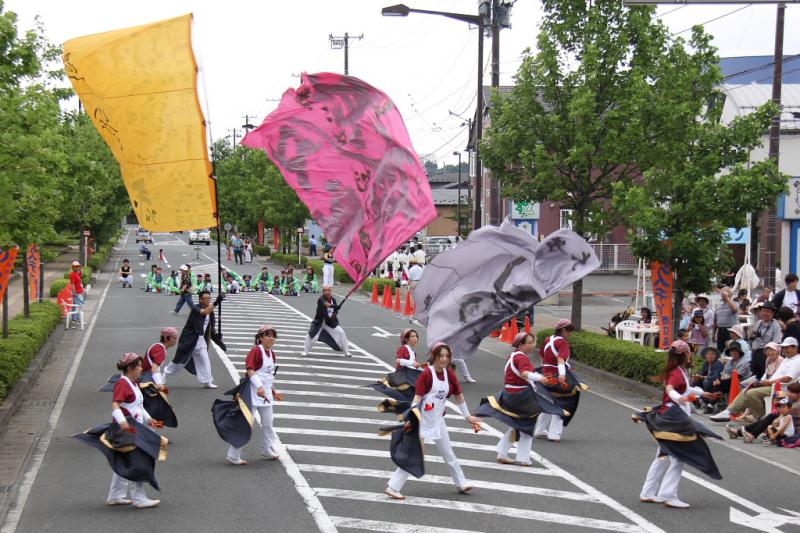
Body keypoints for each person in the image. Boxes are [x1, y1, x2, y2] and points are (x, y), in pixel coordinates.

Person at [383, 343, 482, 500]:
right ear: (434, 356)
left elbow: (459, 395)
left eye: (447, 356)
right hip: (422, 420)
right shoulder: (426, 374)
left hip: (438, 420)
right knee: (413, 453)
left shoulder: (450, 374)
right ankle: (393, 487)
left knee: (448, 453)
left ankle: (461, 483)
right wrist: (412, 418)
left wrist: (467, 416)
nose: (444, 359)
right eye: (441, 355)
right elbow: (417, 397)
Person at [636, 340, 721, 509]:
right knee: (677, 458)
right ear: (685, 354)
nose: (691, 354)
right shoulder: (676, 372)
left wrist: (703, 393)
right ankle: (668, 495)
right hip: (673, 418)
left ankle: (648, 492)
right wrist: (678, 398)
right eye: (690, 351)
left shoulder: (678, 370)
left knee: (663, 455)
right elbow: (670, 389)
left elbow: (686, 389)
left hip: (670, 416)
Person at [73, 353, 164, 508]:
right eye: (139, 367)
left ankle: (115, 496)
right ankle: (139, 499)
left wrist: (149, 419)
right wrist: (122, 423)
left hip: (136, 428)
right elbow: (115, 405)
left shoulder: (133, 383)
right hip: (128, 431)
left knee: (125, 461)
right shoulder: (123, 384)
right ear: (130, 368)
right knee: (138, 461)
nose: (141, 369)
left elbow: (138, 406)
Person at [476, 333, 561, 466]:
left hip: (510, 394)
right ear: (520, 344)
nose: (533, 345)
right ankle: (523, 458)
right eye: (530, 343)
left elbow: (526, 373)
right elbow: (524, 373)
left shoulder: (513, 356)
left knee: (516, 425)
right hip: (521, 396)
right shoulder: (522, 358)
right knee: (527, 425)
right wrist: (541, 378)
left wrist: (541, 376)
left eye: (533, 342)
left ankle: (502, 453)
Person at [226, 325, 283, 465]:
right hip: (252, 392)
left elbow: (268, 375)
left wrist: (272, 390)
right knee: (246, 423)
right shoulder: (256, 351)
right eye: (268, 335)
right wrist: (259, 387)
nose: (271, 338)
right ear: (261, 337)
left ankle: (266, 449)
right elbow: (250, 370)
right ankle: (233, 455)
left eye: (273, 335)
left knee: (268, 422)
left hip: (265, 393)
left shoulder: (272, 353)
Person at [710, 338, 800, 422]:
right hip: (772, 384)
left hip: (780, 387)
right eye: (783, 348)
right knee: (747, 389)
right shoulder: (785, 359)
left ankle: (761, 418)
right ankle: (729, 412)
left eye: (787, 348)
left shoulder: (797, 360)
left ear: (795, 348)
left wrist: (768, 382)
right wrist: (763, 382)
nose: (784, 350)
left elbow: (788, 378)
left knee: (751, 393)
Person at [162, 291, 225, 389]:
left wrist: (217, 337)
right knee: (179, 361)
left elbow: (210, 328)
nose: (208, 300)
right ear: (200, 299)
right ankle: (165, 374)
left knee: (205, 361)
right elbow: (204, 312)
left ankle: (207, 381)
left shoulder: (211, 312)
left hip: (200, 340)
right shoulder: (195, 308)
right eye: (206, 298)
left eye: (209, 298)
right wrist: (217, 302)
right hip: (189, 339)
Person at [534, 319, 583, 442]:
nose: (570, 333)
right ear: (562, 329)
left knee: (550, 401)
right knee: (563, 402)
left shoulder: (548, 339)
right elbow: (561, 360)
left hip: (547, 374)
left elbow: (542, 356)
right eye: (568, 330)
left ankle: (540, 430)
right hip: (558, 376)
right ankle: (554, 433)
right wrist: (562, 375)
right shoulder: (562, 343)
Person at [727, 382, 800, 443]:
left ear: (798, 394)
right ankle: (740, 433)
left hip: (792, 428)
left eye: (792, 392)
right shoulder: (790, 401)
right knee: (767, 418)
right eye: (789, 391)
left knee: (770, 417)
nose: (789, 394)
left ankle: (747, 435)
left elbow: (783, 412)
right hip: (784, 423)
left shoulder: (797, 404)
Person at [302, 285, 351, 357]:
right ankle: (305, 351)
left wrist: (335, 313)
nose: (327, 292)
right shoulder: (321, 299)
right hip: (319, 322)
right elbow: (327, 305)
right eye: (325, 290)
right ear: (323, 291)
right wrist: (336, 306)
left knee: (341, 332)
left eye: (329, 290)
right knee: (310, 335)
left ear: (331, 291)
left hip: (329, 322)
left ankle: (346, 351)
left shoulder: (333, 300)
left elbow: (335, 311)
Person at [748, 301, 782, 379]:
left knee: (764, 375)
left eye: (768, 312)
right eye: (763, 311)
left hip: (766, 353)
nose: (765, 313)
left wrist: (770, 354)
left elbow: (776, 343)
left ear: (772, 313)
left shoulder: (775, 325)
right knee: (754, 374)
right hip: (755, 352)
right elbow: (753, 337)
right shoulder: (758, 323)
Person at [714, 288, 739, 353]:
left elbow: (735, 309)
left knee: (730, 349)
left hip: (730, 330)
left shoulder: (735, 303)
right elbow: (715, 321)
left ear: (730, 294)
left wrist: (727, 298)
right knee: (719, 350)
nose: (723, 294)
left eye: (725, 292)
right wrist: (714, 334)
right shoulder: (718, 306)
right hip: (720, 330)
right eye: (722, 293)